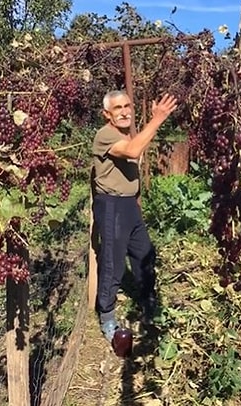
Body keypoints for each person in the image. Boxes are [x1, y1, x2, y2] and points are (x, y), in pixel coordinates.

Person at [92, 90, 178, 346]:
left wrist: (150, 123)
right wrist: (158, 118)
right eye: (118, 108)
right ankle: (107, 316)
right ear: (107, 114)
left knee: (144, 253)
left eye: (128, 105)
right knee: (113, 263)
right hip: (112, 206)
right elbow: (132, 151)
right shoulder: (105, 135)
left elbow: (136, 147)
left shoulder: (122, 134)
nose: (125, 111)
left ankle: (147, 302)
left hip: (129, 205)